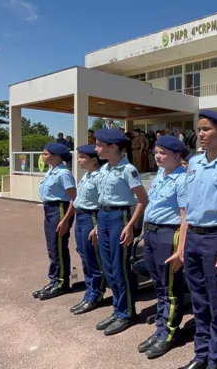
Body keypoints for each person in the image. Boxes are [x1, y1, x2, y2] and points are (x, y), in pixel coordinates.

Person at [167, 110, 217, 369]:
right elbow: (189, 209)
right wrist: (182, 245)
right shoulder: (194, 162)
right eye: (199, 129)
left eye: (206, 129)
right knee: (198, 300)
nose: (200, 134)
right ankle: (200, 354)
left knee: (216, 300)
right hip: (193, 237)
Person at [92, 129, 149, 336]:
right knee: (108, 267)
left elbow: (143, 200)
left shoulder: (128, 170)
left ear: (113, 147)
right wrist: (98, 224)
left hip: (120, 218)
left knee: (120, 268)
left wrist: (130, 225)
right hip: (104, 217)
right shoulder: (105, 169)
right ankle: (117, 309)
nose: (96, 148)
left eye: (99, 145)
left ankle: (127, 313)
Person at [136, 135, 188, 358]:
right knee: (159, 286)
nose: (157, 156)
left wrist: (180, 250)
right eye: (156, 152)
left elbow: (186, 218)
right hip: (152, 233)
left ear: (177, 156)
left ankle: (169, 332)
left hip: (169, 235)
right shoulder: (160, 174)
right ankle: (160, 328)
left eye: (163, 153)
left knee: (171, 289)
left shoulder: (183, 180)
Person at [33, 143, 77, 301]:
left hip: (60, 210)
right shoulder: (51, 171)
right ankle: (54, 279)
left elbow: (74, 198)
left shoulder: (63, 174)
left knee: (58, 247)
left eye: (46, 153)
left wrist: (65, 220)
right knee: (52, 247)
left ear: (57, 156)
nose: (43, 156)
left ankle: (61, 283)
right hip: (49, 210)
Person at [70, 144, 106, 315]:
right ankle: (89, 291)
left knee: (93, 258)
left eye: (83, 157)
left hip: (91, 217)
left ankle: (96, 294)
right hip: (81, 217)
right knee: (84, 255)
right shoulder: (87, 176)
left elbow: (104, 204)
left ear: (94, 160)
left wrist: (98, 227)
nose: (79, 160)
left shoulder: (100, 177)